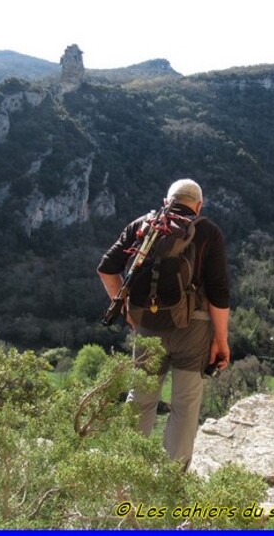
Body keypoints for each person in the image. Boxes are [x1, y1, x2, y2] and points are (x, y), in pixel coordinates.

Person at [97, 178, 231, 469]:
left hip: (147, 328)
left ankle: (126, 472)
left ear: (166, 201)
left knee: (141, 399)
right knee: (183, 407)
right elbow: (219, 292)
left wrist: (129, 313)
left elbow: (107, 269)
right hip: (192, 330)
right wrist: (221, 340)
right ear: (198, 205)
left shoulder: (143, 226)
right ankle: (170, 481)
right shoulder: (208, 231)